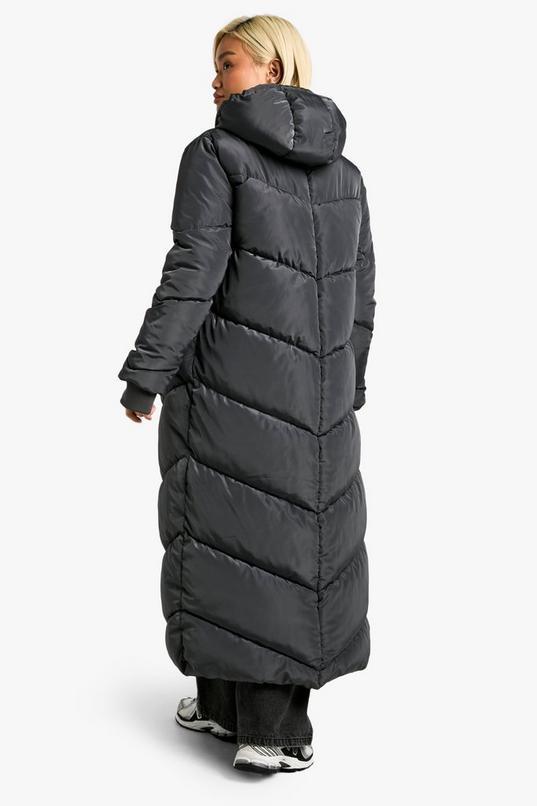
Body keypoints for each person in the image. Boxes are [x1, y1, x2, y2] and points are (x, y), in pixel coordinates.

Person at [118, 14, 376, 774]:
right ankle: (239, 713)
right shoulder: (345, 173)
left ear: (272, 69)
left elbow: (192, 271)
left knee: (224, 536)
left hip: (228, 385)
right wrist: (349, 382)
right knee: (291, 546)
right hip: (318, 400)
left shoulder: (215, 153)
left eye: (227, 62)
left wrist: (148, 370)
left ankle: (268, 728)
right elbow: (361, 295)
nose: (214, 79)